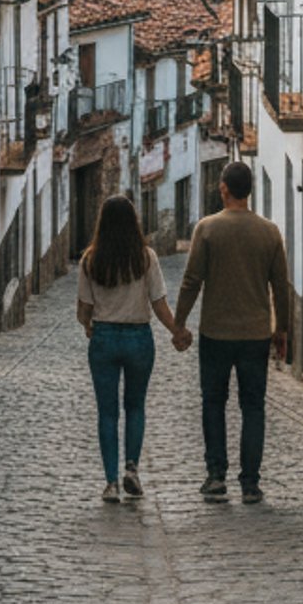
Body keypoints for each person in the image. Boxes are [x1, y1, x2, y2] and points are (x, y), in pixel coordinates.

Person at [171, 159, 295, 504]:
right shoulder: (269, 232)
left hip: (216, 334)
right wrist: (281, 329)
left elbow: (192, 280)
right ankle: (251, 483)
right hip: (256, 334)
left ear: (224, 189)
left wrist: (179, 322)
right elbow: (280, 287)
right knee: (253, 407)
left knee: (213, 403)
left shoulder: (207, 229)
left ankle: (215, 476)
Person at [75, 193, 181, 503]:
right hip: (138, 339)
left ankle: (110, 483)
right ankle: (132, 468)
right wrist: (177, 331)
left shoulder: (90, 260)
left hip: (104, 339)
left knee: (107, 413)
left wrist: (88, 326)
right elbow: (159, 303)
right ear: (133, 222)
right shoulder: (146, 257)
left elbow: (84, 308)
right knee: (135, 406)